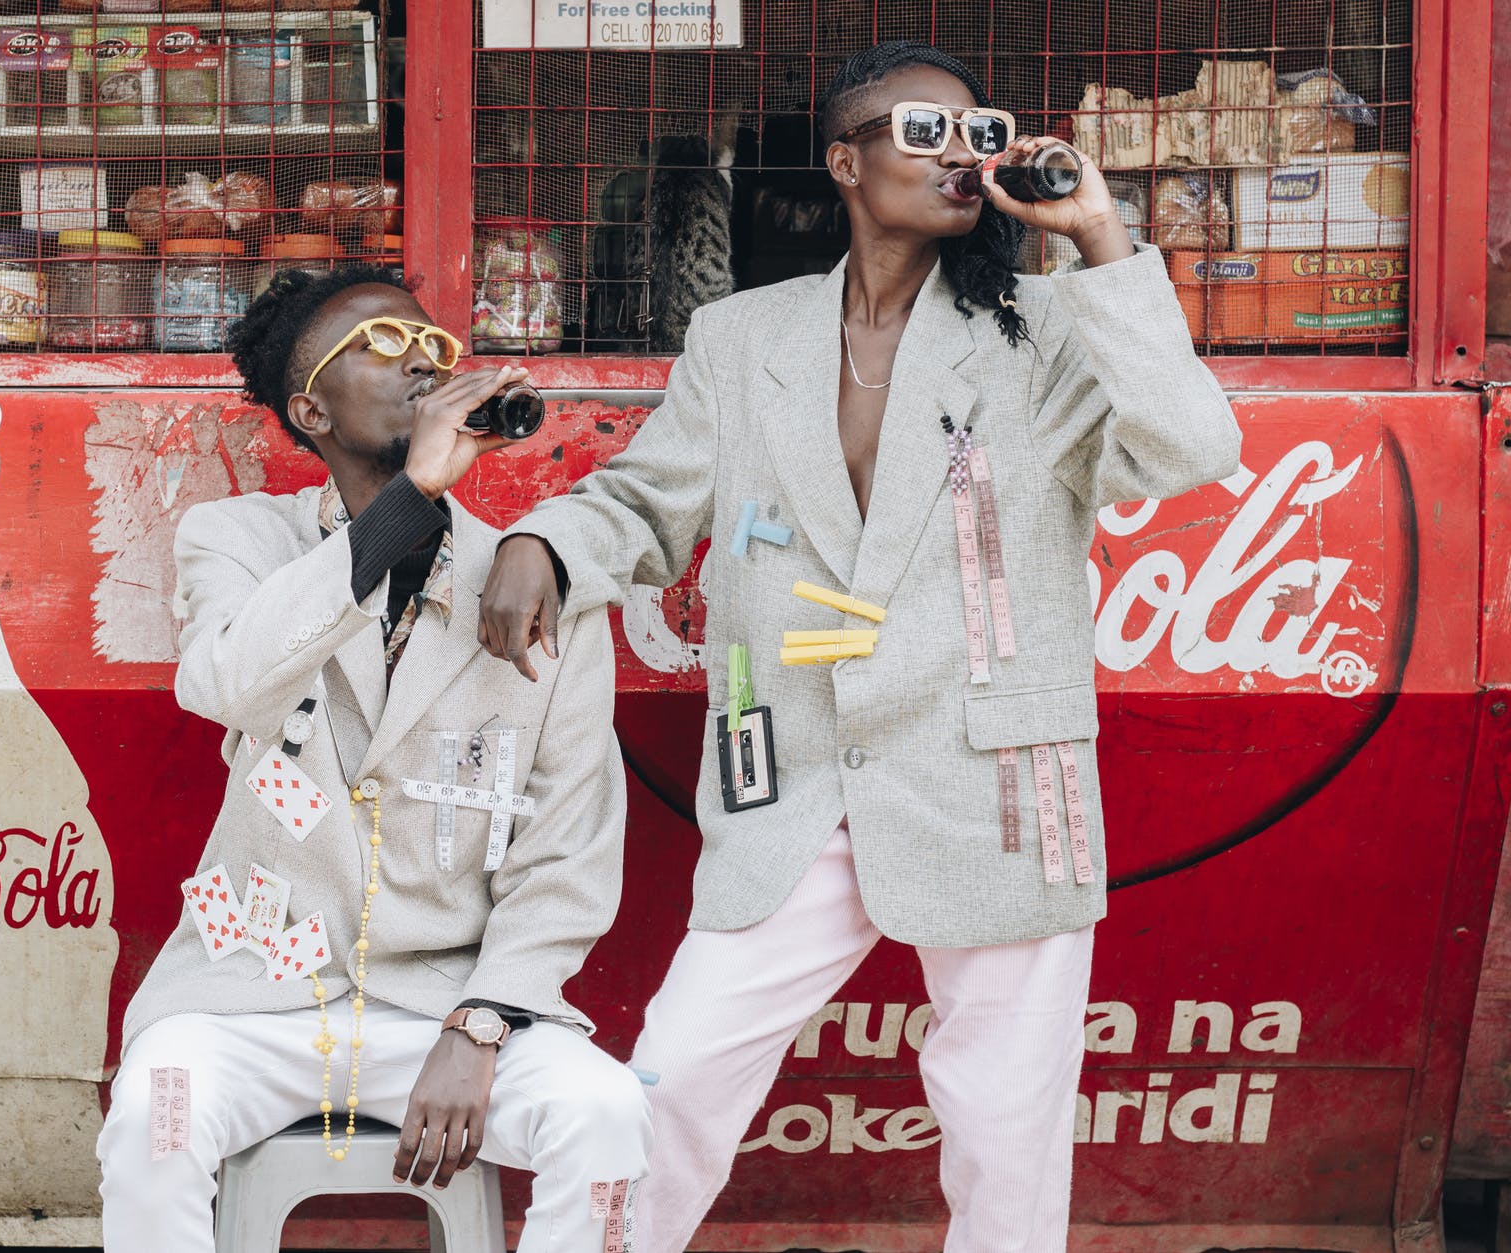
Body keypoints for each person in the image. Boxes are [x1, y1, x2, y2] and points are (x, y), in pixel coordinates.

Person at [478, 42, 1242, 1253]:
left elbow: (1194, 448)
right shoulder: (741, 337)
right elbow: (643, 501)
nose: (957, 155)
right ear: (844, 161)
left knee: (1002, 1119)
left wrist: (1099, 240)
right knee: (670, 1081)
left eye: (973, 132)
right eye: (919, 132)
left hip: (997, 772)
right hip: (788, 768)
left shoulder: (1040, 326)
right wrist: (547, 544)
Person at [98, 264, 651, 1253]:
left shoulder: (536, 582)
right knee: (155, 1113)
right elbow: (228, 678)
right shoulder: (238, 538)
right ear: (309, 409)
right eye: (382, 348)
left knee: (605, 1113)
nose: (422, 366)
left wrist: (482, 1022)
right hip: (248, 993)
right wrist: (409, 496)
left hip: (447, 1007)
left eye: (433, 348)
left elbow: (568, 853)